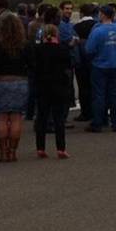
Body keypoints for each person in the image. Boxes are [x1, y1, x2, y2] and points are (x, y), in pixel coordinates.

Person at [0, 12, 29, 161]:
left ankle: (3, 152)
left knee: (2, 117)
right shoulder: (24, 44)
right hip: (20, 81)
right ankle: (12, 151)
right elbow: (31, 64)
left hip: (2, 81)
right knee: (16, 117)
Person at [31, 23, 75, 158]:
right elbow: (69, 66)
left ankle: (40, 147)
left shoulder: (37, 49)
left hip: (42, 85)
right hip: (59, 85)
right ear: (57, 34)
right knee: (59, 119)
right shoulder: (63, 49)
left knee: (42, 118)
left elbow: (33, 67)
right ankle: (61, 148)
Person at [84, 4, 116, 132]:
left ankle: (98, 122)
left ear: (102, 15)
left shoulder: (97, 31)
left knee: (99, 95)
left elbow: (89, 49)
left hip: (100, 65)